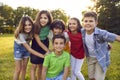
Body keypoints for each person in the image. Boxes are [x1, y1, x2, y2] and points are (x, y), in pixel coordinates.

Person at [81, 11, 120, 80]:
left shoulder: (101, 33)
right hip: (90, 58)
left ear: (96, 23)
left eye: (91, 21)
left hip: (101, 58)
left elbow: (116, 37)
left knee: (98, 78)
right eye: (86, 21)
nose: (88, 23)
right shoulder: (82, 32)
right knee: (91, 77)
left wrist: (107, 44)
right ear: (83, 22)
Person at [13, 16, 45, 80]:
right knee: (18, 69)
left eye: (29, 24)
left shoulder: (32, 31)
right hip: (19, 49)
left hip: (26, 48)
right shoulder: (20, 35)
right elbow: (29, 49)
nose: (28, 27)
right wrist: (42, 56)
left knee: (24, 67)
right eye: (25, 25)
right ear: (22, 26)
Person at [30, 10, 53, 80]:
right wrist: (48, 50)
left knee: (41, 65)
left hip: (45, 43)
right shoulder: (35, 26)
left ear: (48, 19)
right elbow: (38, 42)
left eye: (45, 18)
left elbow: (53, 36)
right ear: (38, 18)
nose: (43, 20)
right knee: (34, 65)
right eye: (41, 18)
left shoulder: (49, 27)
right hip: (36, 45)